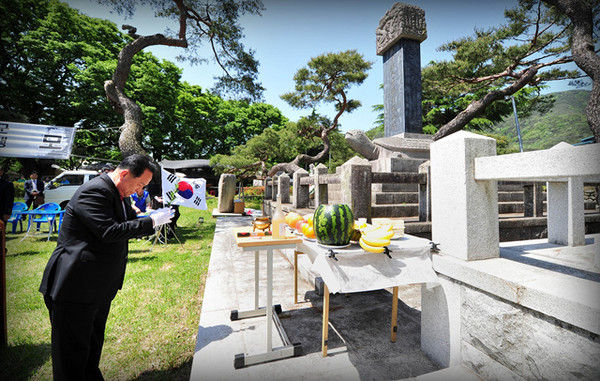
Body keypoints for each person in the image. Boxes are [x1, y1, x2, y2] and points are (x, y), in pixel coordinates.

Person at [38, 154, 174, 381]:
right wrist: (151, 222)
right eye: (140, 184)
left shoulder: (118, 193)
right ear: (124, 174)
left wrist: (151, 215)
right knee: (71, 356)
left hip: (97, 287)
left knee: (91, 347)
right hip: (75, 286)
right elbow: (109, 231)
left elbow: (130, 219)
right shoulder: (96, 191)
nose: (139, 190)